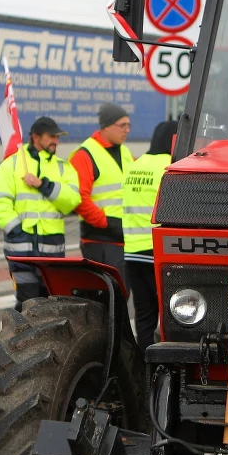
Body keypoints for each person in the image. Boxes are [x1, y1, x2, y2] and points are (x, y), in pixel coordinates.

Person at [0, 116, 81, 309]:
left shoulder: (64, 167)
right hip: (21, 252)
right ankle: (22, 339)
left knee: (50, 306)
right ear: (35, 137)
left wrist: (42, 185)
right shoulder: (11, 165)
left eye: (57, 137)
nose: (56, 140)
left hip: (52, 253)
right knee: (27, 304)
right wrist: (17, 231)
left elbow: (72, 201)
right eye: (51, 136)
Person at [123, 120, 177, 353]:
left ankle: (145, 365)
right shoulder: (170, 165)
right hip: (158, 252)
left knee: (144, 315)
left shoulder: (136, 165)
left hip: (132, 252)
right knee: (170, 315)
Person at [68, 102, 133, 281]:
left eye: (129, 125)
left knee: (121, 295)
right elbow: (80, 198)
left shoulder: (125, 152)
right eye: (122, 125)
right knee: (106, 298)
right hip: (100, 239)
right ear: (106, 126)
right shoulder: (85, 154)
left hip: (124, 237)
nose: (127, 130)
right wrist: (105, 222)